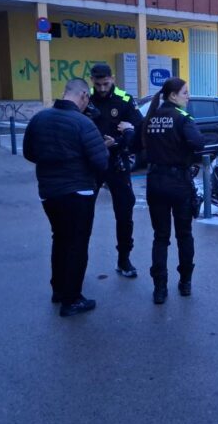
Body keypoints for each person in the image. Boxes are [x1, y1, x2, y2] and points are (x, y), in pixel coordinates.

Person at [23, 78, 108, 317]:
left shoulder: (39, 119)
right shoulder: (82, 123)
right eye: (87, 99)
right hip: (78, 192)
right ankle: (72, 300)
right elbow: (101, 162)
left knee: (59, 239)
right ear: (83, 95)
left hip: (49, 193)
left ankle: (59, 289)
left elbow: (29, 153)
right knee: (77, 244)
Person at [142, 77, 205, 304]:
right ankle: (185, 282)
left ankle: (160, 289)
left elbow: (137, 146)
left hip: (155, 183)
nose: (188, 97)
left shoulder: (151, 117)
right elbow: (198, 143)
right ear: (173, 96)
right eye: (185, 93)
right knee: (184, 235)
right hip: (179, 184)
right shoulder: (182, 117)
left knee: (160, 237)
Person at [88, 63, 143, 278]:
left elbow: (138, 130)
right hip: (92, 164)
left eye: (106, 83)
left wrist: (118, 142)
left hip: (116, 162)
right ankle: (78, 264)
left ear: (112, 78)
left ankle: (124, 260)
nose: (102, 88)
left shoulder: (124, 100)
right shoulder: (86, 100)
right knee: (83, 213)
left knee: (124, 213)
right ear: (92, 80)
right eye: (98, 83)